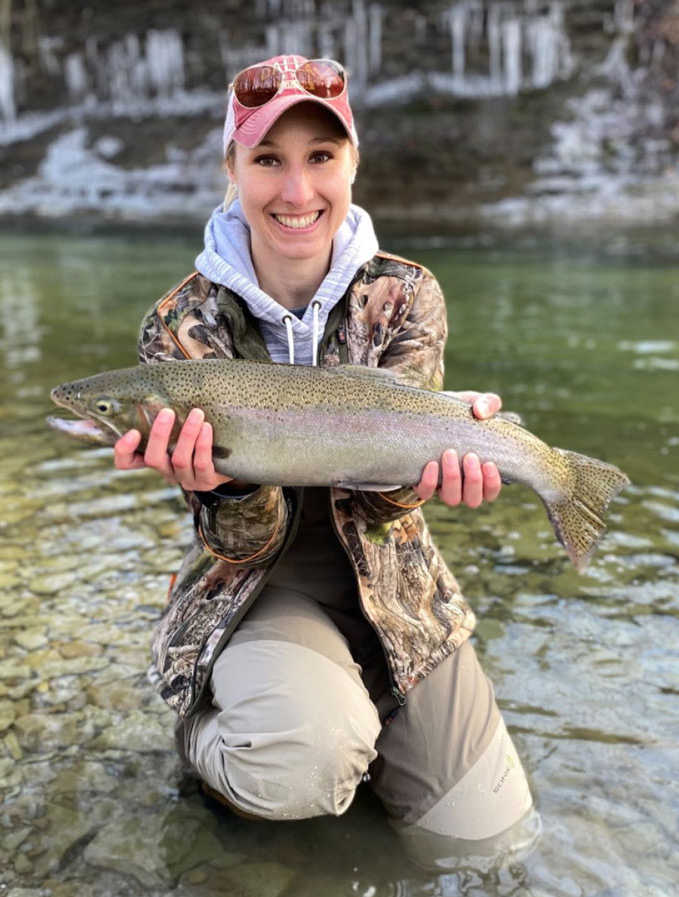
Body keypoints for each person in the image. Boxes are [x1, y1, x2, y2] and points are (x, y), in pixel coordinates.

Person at [112, 54, 537, 864]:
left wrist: (425, 478)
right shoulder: (180, 326)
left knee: (488, 846)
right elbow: (237, 543)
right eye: (268, 159)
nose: (297, 192)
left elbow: (386, 506)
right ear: (231, 169)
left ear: (352, 163)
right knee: (302, 765)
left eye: (320, 158)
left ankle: (353, 715)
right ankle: (205, 728)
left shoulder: (405, 294)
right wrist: (229, 477)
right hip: (258, 585)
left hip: (395, 585)